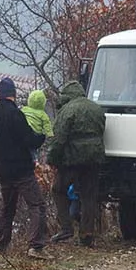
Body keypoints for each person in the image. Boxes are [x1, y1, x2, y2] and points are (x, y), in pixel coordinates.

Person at [0, 77, 53, 260]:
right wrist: (41, 137)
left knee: (7, 209)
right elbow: (29, 139)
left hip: (2, 171)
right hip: (21, 170)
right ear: (13, 94)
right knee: (37, 205)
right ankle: (36, 246)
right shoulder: (16, 115)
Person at [48, 81, 105, 247]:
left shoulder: (67, 110)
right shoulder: (96, 108)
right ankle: (87, 234)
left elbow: (59, 139)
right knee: (89, 196)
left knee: (58, 190)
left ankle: (66, 228)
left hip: (72, 159)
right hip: (94, 158)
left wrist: (52, 159)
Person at [21, 89, 54, 162]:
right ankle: (35, 162)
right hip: (36, 135)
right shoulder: (43, 115)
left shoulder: (24, 109)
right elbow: (47, 127)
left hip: (25, 133)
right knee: (33, 152)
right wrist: (50, 135)